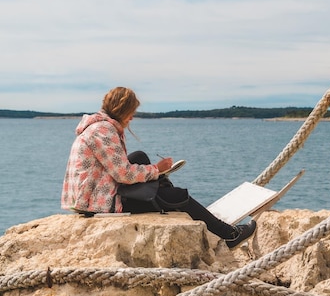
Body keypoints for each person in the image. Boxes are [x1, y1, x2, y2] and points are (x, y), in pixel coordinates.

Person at [61, 86, 256, 248]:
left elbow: (120, 169)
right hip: (99, 204)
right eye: (131, 113)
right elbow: (124, 174)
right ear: (123, 110)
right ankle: (230, 235)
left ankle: (161, 190)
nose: (132, 118)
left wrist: (155, 172)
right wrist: (157, 169)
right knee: (178, 197)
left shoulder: (99, 126)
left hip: (94, 196)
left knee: (139, 157)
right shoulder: (104, 130)